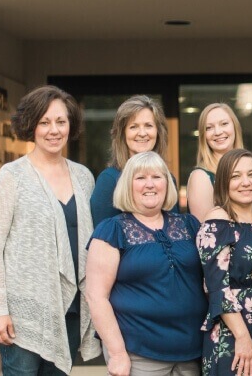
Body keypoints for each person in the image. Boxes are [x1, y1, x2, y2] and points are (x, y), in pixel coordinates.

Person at [0, 85, 101, 374]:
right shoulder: (11, 176)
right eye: (44, 122)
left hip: (71, 311)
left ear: (70, 125)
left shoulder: (83, 176)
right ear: (31, 125)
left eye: (61, 122)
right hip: (23, 314)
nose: (53, 130)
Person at [86, 151, 207, 376]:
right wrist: (118, 353)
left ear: (167, 183)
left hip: (193, 352)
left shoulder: (190, 225)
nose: (149, 184)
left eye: (157, 177)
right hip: (138, 353)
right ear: (127, 186)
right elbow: (96, 296)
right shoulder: (112, 230)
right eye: (140, 178)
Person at [197, 148, 252, 376]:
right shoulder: (217, 223)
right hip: (234, 332)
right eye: (236, 176)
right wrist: (243, 337)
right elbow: (217, 287)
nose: (245, 182)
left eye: (251, 174)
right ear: (223, 183)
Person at [91, 95, 174, 228]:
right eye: (133, 127)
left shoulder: (169, 180)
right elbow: (102, 238)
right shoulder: (109, 180)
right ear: (122, 134)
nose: (142, 133)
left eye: (148, 125)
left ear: (158, 132)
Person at [187, 103, 243, 221]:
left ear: (235, 127)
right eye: (209, 128)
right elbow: (206, 234)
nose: (217, 132)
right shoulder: (201, 177)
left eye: (224, 124)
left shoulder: (249, 170)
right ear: (204, 136)